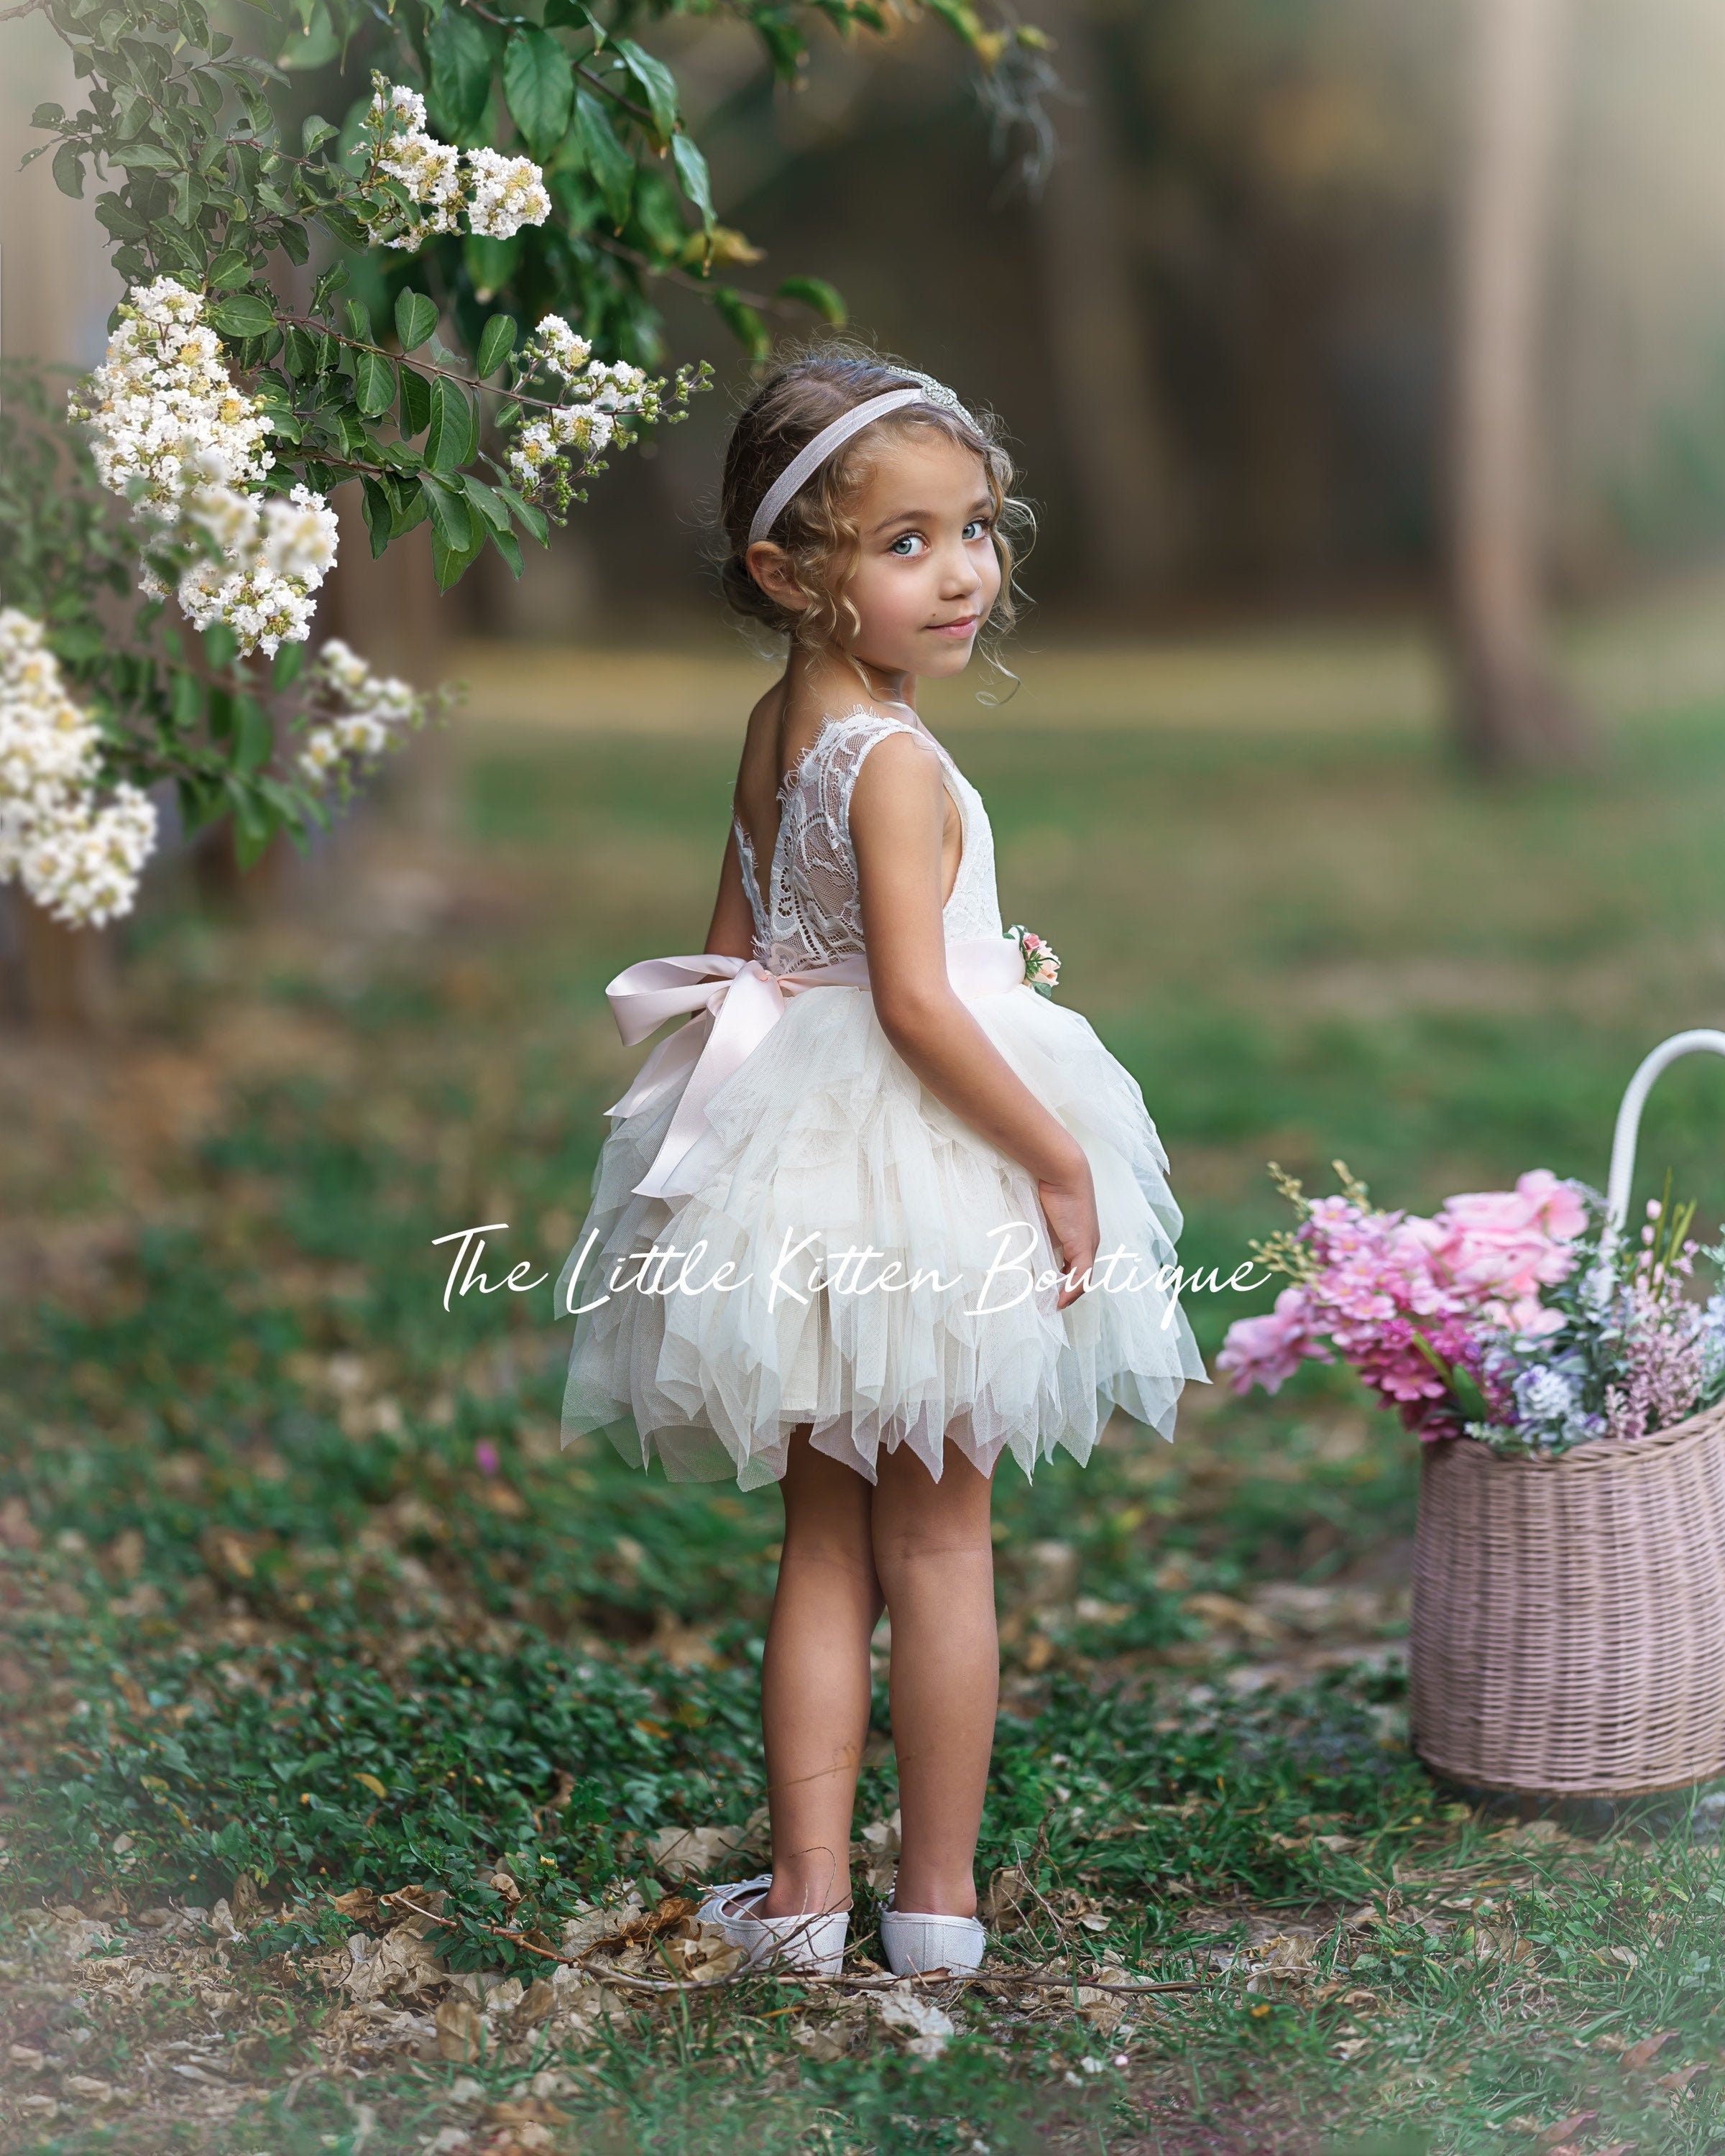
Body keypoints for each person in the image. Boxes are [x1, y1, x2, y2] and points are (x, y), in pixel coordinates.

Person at [554, 347, 1210, 1979]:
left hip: (806, 1165)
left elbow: (739, 963)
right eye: (905, 541)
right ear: (790, 569)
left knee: (826, 1543)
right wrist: (1057, 1158)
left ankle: (801, 1897)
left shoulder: (784, 724)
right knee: (942, 1541)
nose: (966, 570)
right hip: (929, 1166)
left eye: (976, 527)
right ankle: (936, 1906)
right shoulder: (901, 759)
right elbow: (913, 1005)